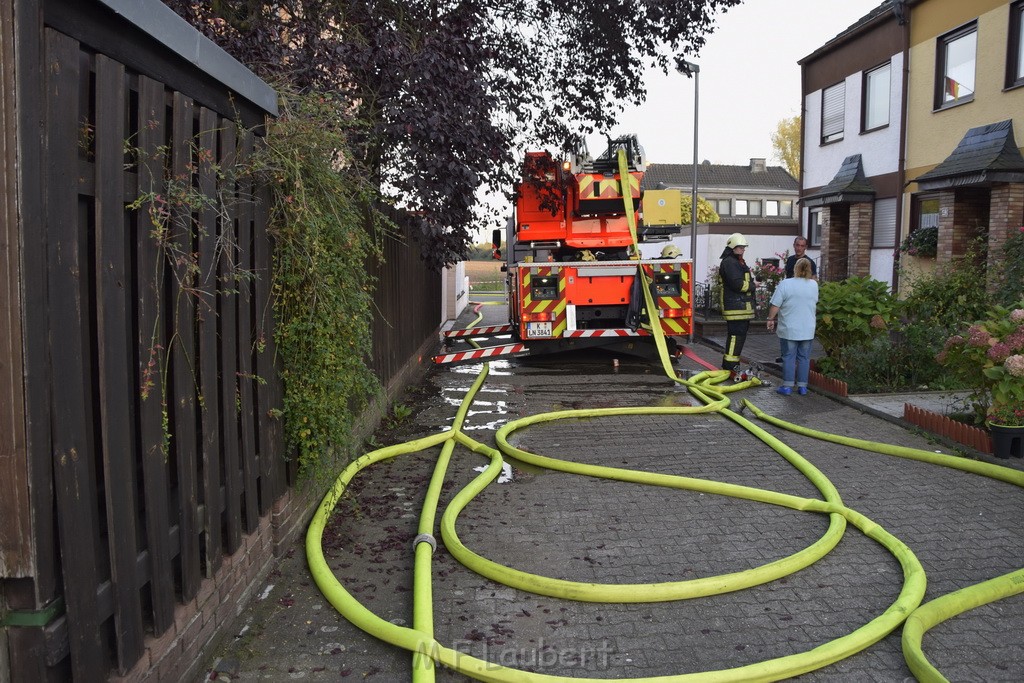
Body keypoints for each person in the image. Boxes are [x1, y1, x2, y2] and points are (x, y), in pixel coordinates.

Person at [766, 257, 818, 395]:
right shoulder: (814, 285)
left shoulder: (786, 284)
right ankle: (802, 387)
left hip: (789, 328)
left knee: (788, 356)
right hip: (807, 328)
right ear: (809, 270)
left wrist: (770, 319)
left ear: (795, 268)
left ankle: (787, 386)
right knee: (804, 358)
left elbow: (775, 305)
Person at [718, 232, 755, 375]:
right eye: (740, 247)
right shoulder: (729, 262)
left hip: (740, 308)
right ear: (732, 247)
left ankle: (733, 365)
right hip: (736, 308)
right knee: (735, 337)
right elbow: (737, 284)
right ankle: (730, 367)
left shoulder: (735, 261)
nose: (743, 250)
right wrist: (753, 286)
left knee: (738, 337)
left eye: (743, 247)